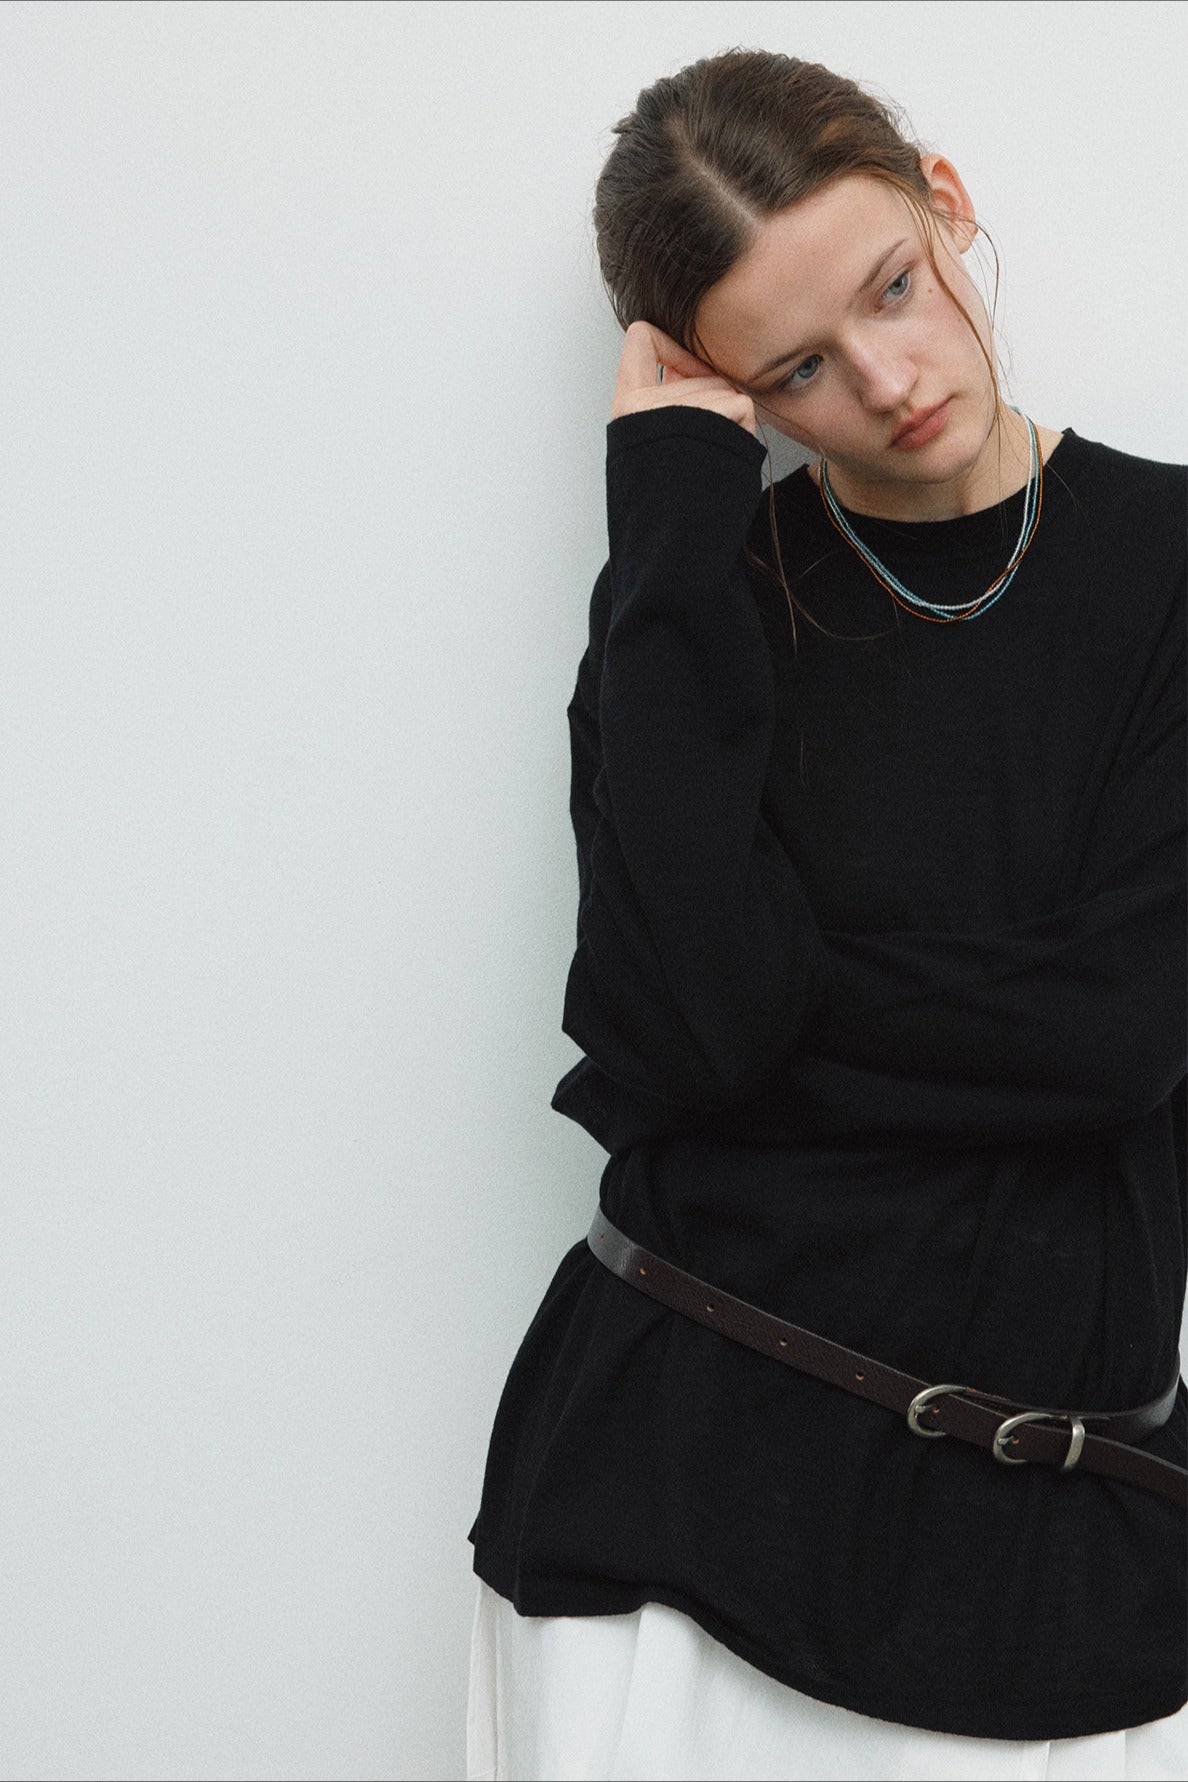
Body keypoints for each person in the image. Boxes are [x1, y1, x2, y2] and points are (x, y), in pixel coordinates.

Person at [465, 48, 1188, 1782]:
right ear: (726, 387)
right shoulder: (693, 611)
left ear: (946, 204)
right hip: (661, 1522)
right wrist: (672, 520)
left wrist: (779, 1007)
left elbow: (1115, 1035)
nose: (888, 380)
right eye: (796, 367)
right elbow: (685, 1025)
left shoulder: (1170, 568)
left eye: (892, 288)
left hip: (1063, 1540)